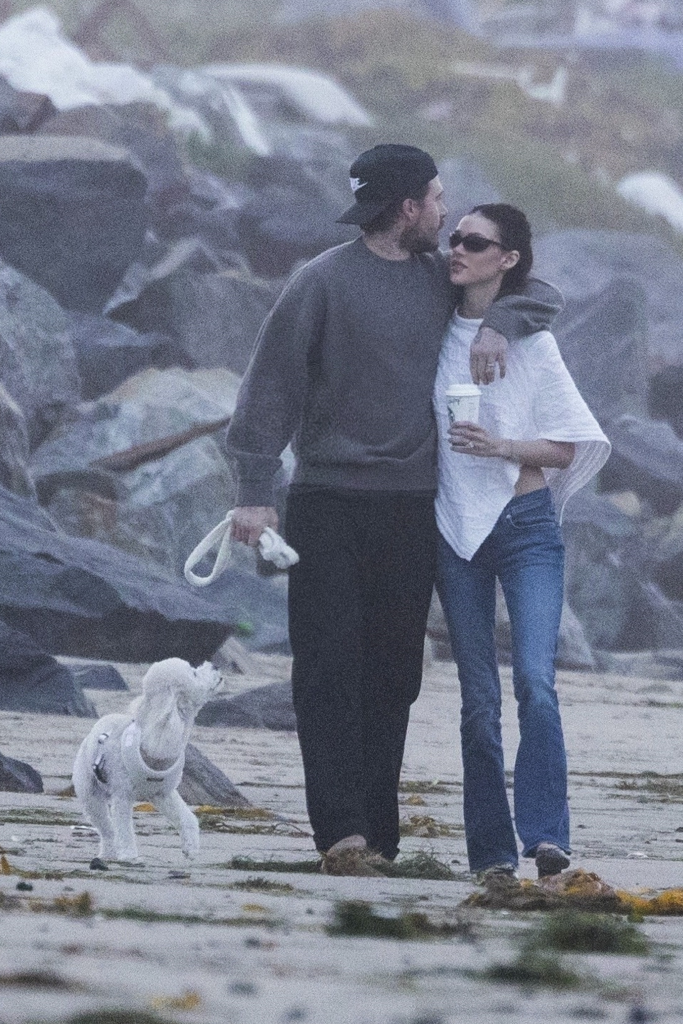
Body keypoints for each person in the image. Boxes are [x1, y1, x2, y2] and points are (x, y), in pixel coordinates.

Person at [226, 145, 564, 875]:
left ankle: (379, 836)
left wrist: (502, 319)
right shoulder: (319, 282)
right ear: (407, 206)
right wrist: (253, 491)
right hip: (325, 502)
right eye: (437, 200)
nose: (445, 215)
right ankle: (342, 835)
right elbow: (270, 387)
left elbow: (541, 293)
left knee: (391, 676)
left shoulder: (437, 281)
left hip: (411, 508)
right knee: (326, 670)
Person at [434, 203, 610, 881]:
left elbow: (568, 446)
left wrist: (500, 444)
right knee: (476, 699)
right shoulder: (434, 329)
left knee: (536, 681)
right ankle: (490, 855)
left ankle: (544, 835)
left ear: (506, 259)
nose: (457, 249)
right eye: (454, 237)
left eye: (474, 242)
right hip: (454, 532)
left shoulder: (532, 343)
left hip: (525, 527)